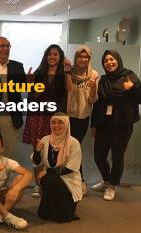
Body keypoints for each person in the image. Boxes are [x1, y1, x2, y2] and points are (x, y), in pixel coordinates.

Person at [91, 50, 141, 201]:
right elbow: (98, 104)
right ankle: (107, 181)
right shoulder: (103, 80)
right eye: (106, 61)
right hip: (103, 123)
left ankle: (113, 186)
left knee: (117, 157)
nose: (109, 62)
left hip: (123, 124)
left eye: (112, 59)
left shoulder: (129, 76)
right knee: (99, 156)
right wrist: (93, 125)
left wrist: (132, 88)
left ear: (118, 60)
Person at [22, 44, 67, 197]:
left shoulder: (64, 73)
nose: (52, 57)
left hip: (54, 117)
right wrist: (29, 83)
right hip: (38, 115)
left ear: (60, 57)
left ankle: (51, 184)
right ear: (45, 57)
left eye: (55, 54)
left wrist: (67, 72)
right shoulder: (39, 72)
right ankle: (37, 185)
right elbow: (32, 94)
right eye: (49, 54)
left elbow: (67, 93)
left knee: (55, 151)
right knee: (38, 150)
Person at [32, 113, 82, 222]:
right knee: (49, 179)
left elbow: (70, 168)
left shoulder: (74, 142)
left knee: (49, 178)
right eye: (53, 123)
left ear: (67, 124)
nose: (56, 125)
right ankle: (49, 210)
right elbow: (37, 161)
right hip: (52, 179)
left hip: (69, 181)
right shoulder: (45, 140)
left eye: (60, 122)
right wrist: (37, 151)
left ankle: (63, 211)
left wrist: (47, 172)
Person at [65, 46, 99, 195]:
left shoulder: (93, 74)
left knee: (75, 149)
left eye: (86, 57)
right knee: (66, 148)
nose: (83, 59)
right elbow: (66, 91)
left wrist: (93, 90)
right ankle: (69, 180)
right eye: (80, 56)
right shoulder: (69, 72)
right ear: (76, 57)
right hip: (67, 116)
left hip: (82, 117)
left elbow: (93, 100)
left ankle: (79, 181)